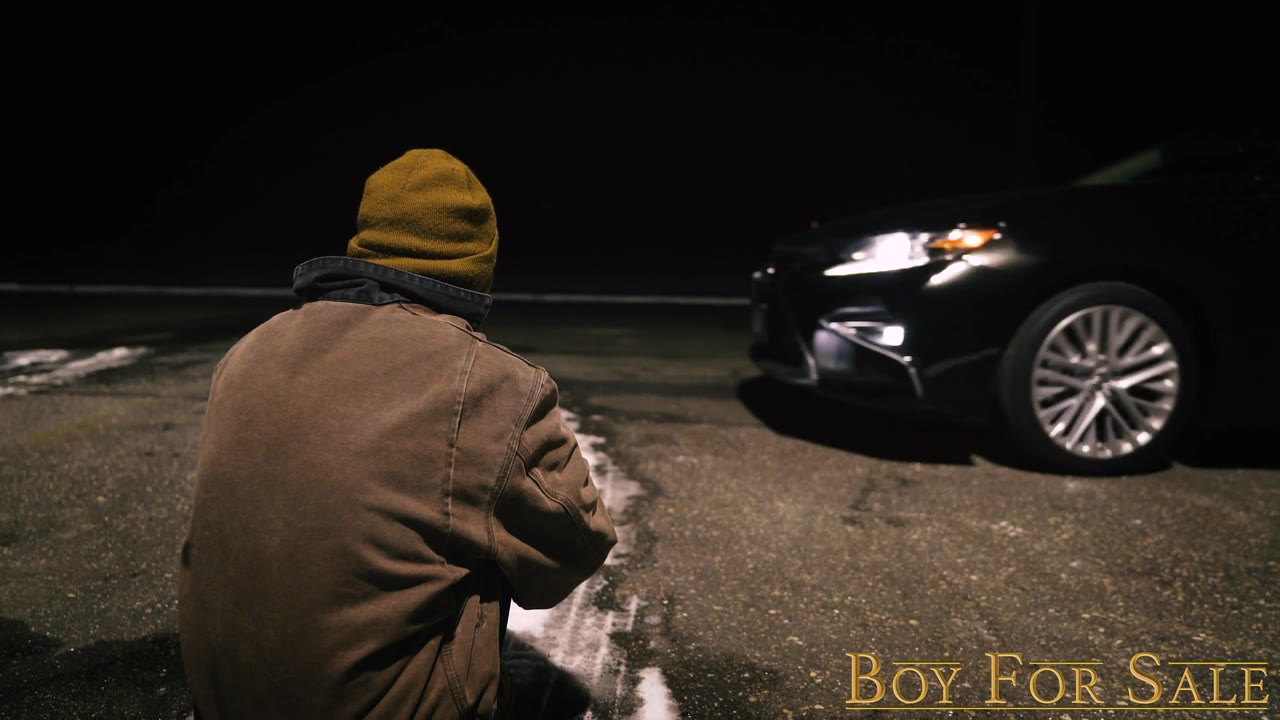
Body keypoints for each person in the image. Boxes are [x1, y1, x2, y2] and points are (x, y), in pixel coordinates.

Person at [177, 148, 618, 719]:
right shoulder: (489, 382)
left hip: (221, 700)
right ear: (478, 262)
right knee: (491, 521)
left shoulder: (248, 349)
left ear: (367, 239)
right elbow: (577, 543)